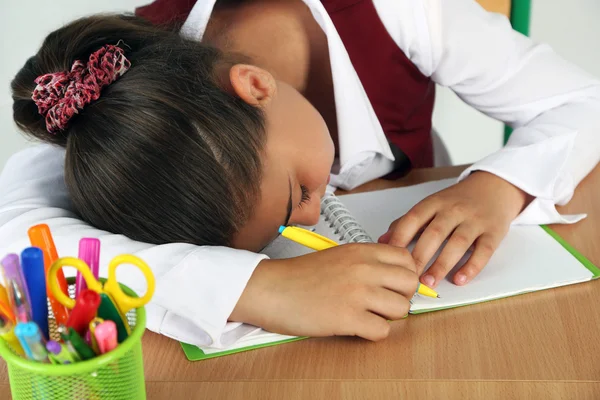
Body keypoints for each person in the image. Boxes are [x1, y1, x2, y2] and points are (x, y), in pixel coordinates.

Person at [2, 0, 599, 348]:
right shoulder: (124, 109)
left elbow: (586, 101)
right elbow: (14, 235)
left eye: (300, 193)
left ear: (255, 85)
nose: (313, 219)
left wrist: (501, 185)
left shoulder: (401, 11)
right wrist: (261, 287)